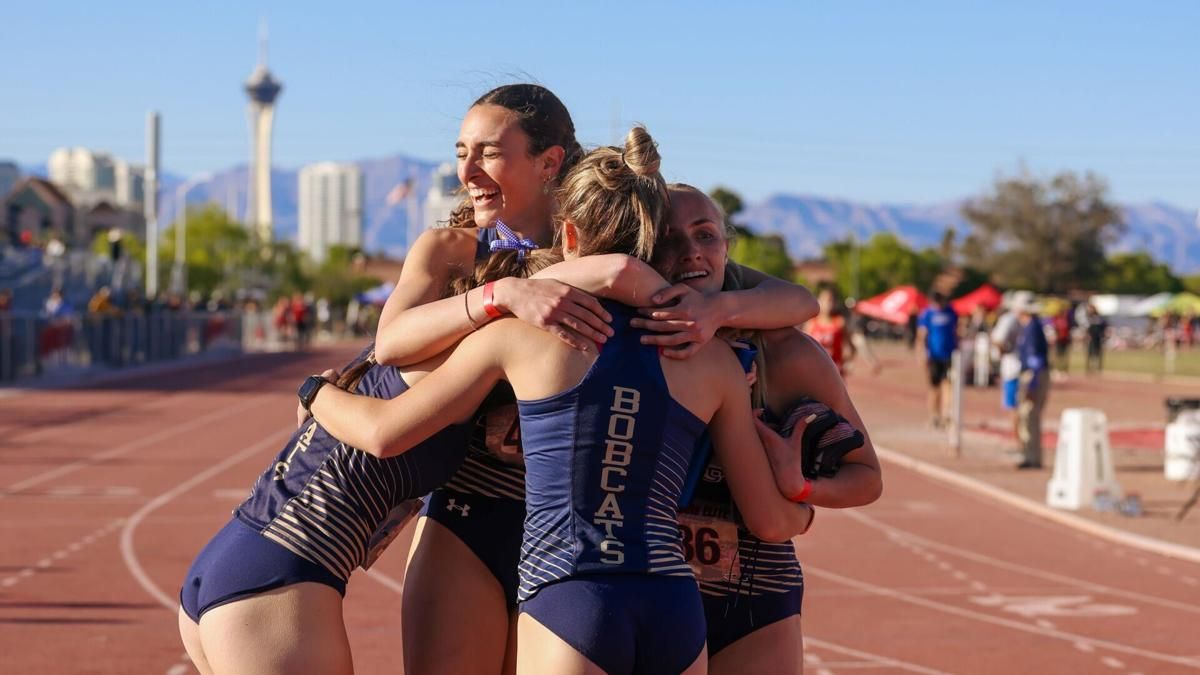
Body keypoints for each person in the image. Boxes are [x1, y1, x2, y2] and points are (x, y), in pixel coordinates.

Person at [309, 127, 818, 675]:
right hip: (672, 599)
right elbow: (770, 518)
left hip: (570, 592)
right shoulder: (714, 358)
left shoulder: (516, 335)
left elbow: (385, 432)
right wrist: (804, 497)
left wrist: (317, 393)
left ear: (569, 235)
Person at [660, 185, 883, 674]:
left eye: (705, 235)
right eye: (668, 237)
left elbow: (867, 477)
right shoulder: (620, 341)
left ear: (727, 247)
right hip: (643, 592)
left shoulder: (786, 355)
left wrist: (802, 488)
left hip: (753, 602)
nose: (691, 250)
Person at [1014, 296, 1049, 469]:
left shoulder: (1032, 328)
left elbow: (1035, 358)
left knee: (1029, 415)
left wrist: (1033, 384)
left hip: (1033, 375)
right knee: (1027, 416)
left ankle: (1032, 457)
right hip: (1030, 373)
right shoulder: (1028, 327)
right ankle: (1030, 454)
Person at [916, 291, 958, 428]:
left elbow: (956, 331)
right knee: (934, 388)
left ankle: (946, 414)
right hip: (933, 356)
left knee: (948, 385)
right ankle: (934, 415)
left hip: (949, 355)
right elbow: (922, 335)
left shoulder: (951, 312)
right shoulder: (927, 314)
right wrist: (921, 354)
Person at [804, 285, 854, 375]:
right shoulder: (811, 323)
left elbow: (851, 348)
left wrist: (845, 362)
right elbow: (802, 349)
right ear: (818, 300)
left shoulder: (840, 322)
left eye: (831, 300)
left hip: (834, 373)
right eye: (825, 300)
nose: (828, 304)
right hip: (814, 372)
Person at [1085, 302, 1108, 374]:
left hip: (1098, 338)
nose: (1090, 310)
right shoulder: (1088, 317)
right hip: (1091, 338)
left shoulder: (1099, 318)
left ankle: (1099, 369)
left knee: (1098, 354)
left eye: (1091, 309)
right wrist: (1087, 335)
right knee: (1090, 353)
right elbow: (1087, 328)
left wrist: (1104, 335)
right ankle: (1089, 368)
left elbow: (1104, 326)